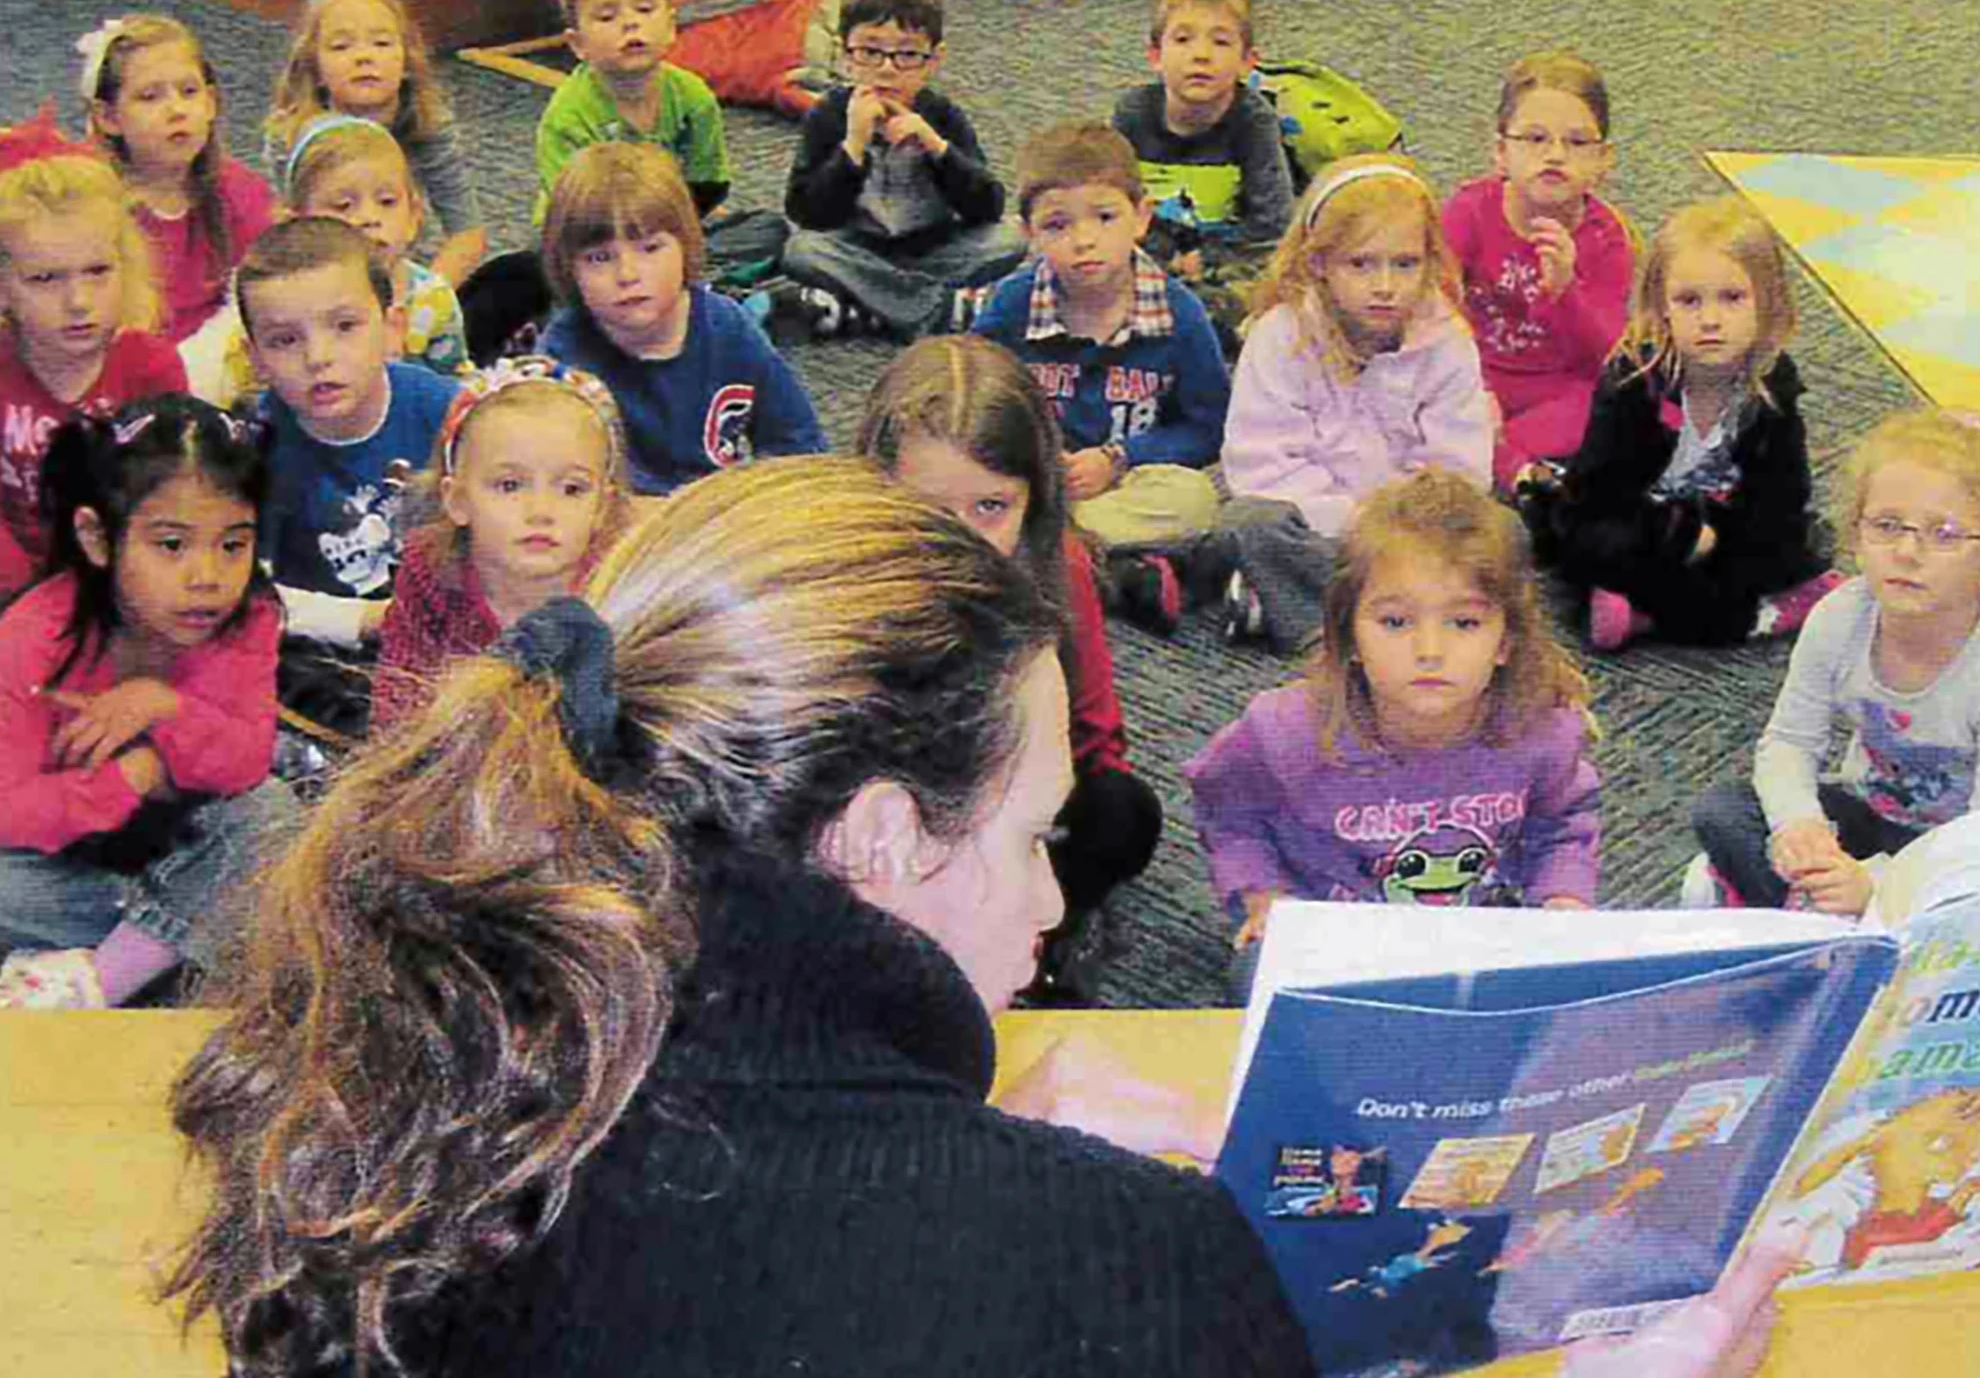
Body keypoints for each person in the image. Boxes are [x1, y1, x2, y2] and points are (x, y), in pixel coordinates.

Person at [164, 456, 1318, 1376]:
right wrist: (1050, 1209)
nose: (1054, 902)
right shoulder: (1141, 1267)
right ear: (881, 836)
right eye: (1034, 838)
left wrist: (969, 1151)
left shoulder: (420, 1128)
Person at [1187, 469, 1601, 996]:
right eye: (1396, 622)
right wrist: (1265, 896)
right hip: (1336, 946)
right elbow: (1229, 814)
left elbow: (1563, 826)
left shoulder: (1540, 730)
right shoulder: (1285, 730)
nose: (1430, 649)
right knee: (1260, 980)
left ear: (1506, 642)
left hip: (1482, 939)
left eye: (1464, 623)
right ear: (1350, 635)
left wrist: (1563, 901)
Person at [856, 335, 1163, 1003]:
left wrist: (1026, 822)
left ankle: (1046, 938)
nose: (961, 538)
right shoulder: (855, 582)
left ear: (1033, 498)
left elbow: (1096, 730)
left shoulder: (1061, 567)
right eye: (931, 510)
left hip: (1020, 797)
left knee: (1122, 811)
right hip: (900, 807)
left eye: (990, 507)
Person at [0, 397, 288, 1008]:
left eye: (232, 546)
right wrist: (131, 777)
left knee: (274, 817)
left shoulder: (251, 615)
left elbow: (246, 762)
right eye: (172, 546)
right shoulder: (31, 635)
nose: (207, 576)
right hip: (75, 885)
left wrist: (165, 708)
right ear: (98, 538)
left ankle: (95, 984)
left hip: (190, 859)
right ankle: (160, 962)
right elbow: (10, 813)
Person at [1691, 410, 1980, 913]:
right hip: (1866, 815)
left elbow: (1973, 843)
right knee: (1723, 810)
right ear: (1856, 533)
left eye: (1946, 533)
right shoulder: (1842, 615)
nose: (1908, 551)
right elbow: (1788, 742)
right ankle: (1833, 916)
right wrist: (1799, 828)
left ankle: (1819, 918)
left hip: (1956, 850)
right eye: (1887, 526)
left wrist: (1880, 890)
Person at [1522, 198, 1840, 651]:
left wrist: (1749, 538)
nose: (1710, 319)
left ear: (1766, 304)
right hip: (1642, 522)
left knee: (1800, 540)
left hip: (1722, 520)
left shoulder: (1774, 379)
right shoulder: (1634, 379)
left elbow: (1785, 487)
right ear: (1662, 306)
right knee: (1593, 544)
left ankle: (1641, 614)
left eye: (1732, 298)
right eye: (1689, 300)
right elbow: (1595, 494)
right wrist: (1682, 534)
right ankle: (1750, 616)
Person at [1214, 155, 1491, 653]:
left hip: (1412, 531)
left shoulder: (1447, 341)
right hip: (1314, 528)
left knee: (1502, 531)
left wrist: (1396, 523)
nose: (1385, 285)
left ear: (1429, 263)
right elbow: (1261, 467)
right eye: (1360, 264)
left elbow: (1460, 468)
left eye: (1405, 264)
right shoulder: (1280, 337)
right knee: (1248, 522)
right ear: (1319, 262)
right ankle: (1353, 626)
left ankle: (1304, 604)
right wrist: (1350, 521)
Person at [969, 121, 1229, 629]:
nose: (1084, 241)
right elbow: (970, 395)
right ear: (1029, 234)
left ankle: (1043, 554)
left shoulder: (1181, 316)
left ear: (1141, 217)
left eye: (1105, 217)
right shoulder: (1012, 305)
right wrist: (1032, 461)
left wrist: (1119, 459)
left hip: (1125, 485)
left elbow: (1208, 428)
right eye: (1057, 226)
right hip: (1034, 482)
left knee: (1194, 501)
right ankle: (1108, 571)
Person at [240, 217, 460, 738]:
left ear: (392, 328)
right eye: (285, 339)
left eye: (344, 326)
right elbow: (243, 597)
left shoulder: (445, 410)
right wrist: (362, 622)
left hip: (446, 620)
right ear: (255, 358)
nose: (318, 357)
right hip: (327, 645)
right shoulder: (251, 451)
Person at [540, 143, 825, 495]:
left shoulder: (728, 327)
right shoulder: (563, 355)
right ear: (568, 269)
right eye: (600, 258)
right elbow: (565, 485)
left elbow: (797, 441)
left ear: (686, 245)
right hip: (619, 524)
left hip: (716, 514)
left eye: (650, 248)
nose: (627, 274)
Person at [372, 357, 629, 730]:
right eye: (509, 485)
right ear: (457, 500)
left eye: (572, 489)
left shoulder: (621, 584)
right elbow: (397, 693)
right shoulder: (431, 568)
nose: (541, 511)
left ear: (602, 507)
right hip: (456, 757)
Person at [779, 0, 1025, 339]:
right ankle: (936, 309)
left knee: (1012, 239)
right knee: (802, 250)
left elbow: (987, 206)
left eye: (907, 55)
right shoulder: (829, 114)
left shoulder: (942, 115)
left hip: (935, 248)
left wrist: (937, 147)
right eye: (870, 52)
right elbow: (805, 212)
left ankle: (870, 308)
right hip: (858, 248)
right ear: (846, 56)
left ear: (934, 61)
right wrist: (853, 147)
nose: (888, 70)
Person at [0, 120, 185, 598]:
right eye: (45, 279)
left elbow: (167, 501)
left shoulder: (150, 368)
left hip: (123, 582)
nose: (79, 301)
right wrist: (23, 592)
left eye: (98, 272)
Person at [1443, 51, 1633, 491]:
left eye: (1577, 142)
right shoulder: (1470, 211)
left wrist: (1566, 290)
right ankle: (1521, 471)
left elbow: (1606, 354)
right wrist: (1474, 385)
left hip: (1557, 389)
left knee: (1634, 404)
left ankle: (1503, 461)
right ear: (1501, 153)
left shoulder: (1606, 238)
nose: (1555, 155)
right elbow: (1435, 307)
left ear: (1604, 159)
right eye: (1534, 139)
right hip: (1476, 375)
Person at [80, 14, 280, 401]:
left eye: (188, 92)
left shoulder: (238, 192)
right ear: (108, 117)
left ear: (211, 102)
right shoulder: (96, 205)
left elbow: (268, 285)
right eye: (150, 97)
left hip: (222, 373)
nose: (176, 110)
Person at [264, 0, 487, 285]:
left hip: (405, 270)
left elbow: (467, 233)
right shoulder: (291, 137)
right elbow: (288, 239)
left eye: (381, 43)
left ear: (407, 61)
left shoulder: (428, 127)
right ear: (315, 69)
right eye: (341, 46)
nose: (363, 56)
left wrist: (424, 299)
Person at [1111, 0, 1294, 335]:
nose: (1201, 56)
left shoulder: (1253, 121)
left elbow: (1271, 226)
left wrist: (1208, 261)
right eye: (1183, 40)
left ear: (1247, 61)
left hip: (1230, 260)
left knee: (1261, 307)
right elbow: (1111, 199)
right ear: (1156, 56)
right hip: (1149, 251)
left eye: (1221, 43)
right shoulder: (1133, 113)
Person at [531, 0, 730, 226]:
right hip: (590, 232)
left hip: (673, 221)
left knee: (766, 231)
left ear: (671, 26)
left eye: (645, 9)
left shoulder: (692, 95)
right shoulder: (568, 118)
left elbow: (708, 182)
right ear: (578, 44)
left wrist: (691, 220)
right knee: (534, 262)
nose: (631, 23)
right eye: (607, 17)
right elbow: (574, 210)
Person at [284, 114, 469, 376]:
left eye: (387, 201)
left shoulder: (432, 298)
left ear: (414, 216)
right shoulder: (285, 297)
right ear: (299, 223)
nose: (369, 219)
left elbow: (454, 382)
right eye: (343, 206)